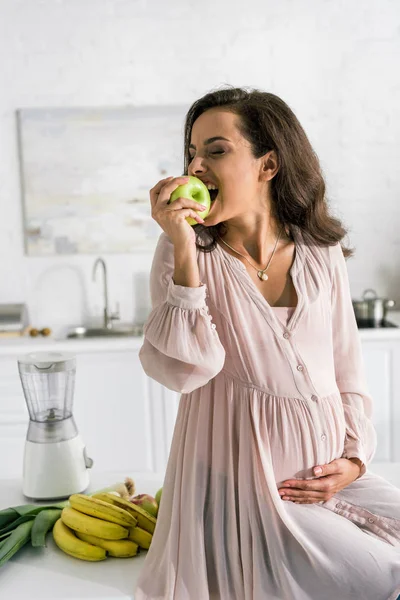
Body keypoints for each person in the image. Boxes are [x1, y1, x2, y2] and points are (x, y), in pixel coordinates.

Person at [134, 87, 400, 600]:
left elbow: (347, 368)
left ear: (268, 164)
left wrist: (354, 461)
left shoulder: (319, 252)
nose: (196, 166)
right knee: (376, 577)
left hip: (331, 476)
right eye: (191, 153)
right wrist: (184, 249)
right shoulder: (183, 252)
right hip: (242, 491)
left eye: (215, 150)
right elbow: (186, 371)